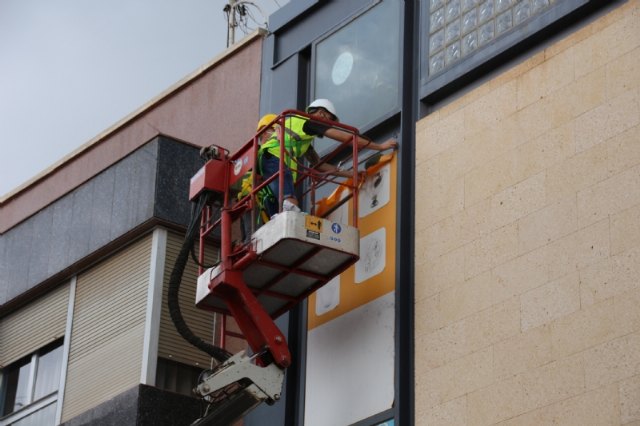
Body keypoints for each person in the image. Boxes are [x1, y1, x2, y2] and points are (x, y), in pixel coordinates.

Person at [258, 99, 397, 216]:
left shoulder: (302, 135)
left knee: (276, 204)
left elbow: (319, 165)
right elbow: (347, 138)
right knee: (289, 201)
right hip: (273, 156)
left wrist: (351, 174)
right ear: (321, 114)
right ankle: (291, 214)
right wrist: (380, 147)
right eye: (329, 121)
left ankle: (284, 216)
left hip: (270, 159)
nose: (328, 125)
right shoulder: (308, 122)